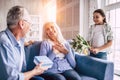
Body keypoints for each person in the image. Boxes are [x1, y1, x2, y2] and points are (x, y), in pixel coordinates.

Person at [0, 6, 47, 80]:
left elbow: (22, 69)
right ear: (21, 24)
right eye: (30, 24)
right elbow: (12, 78)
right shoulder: (3, 42)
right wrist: (34, 72)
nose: (30, 28)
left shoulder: (20, 40)